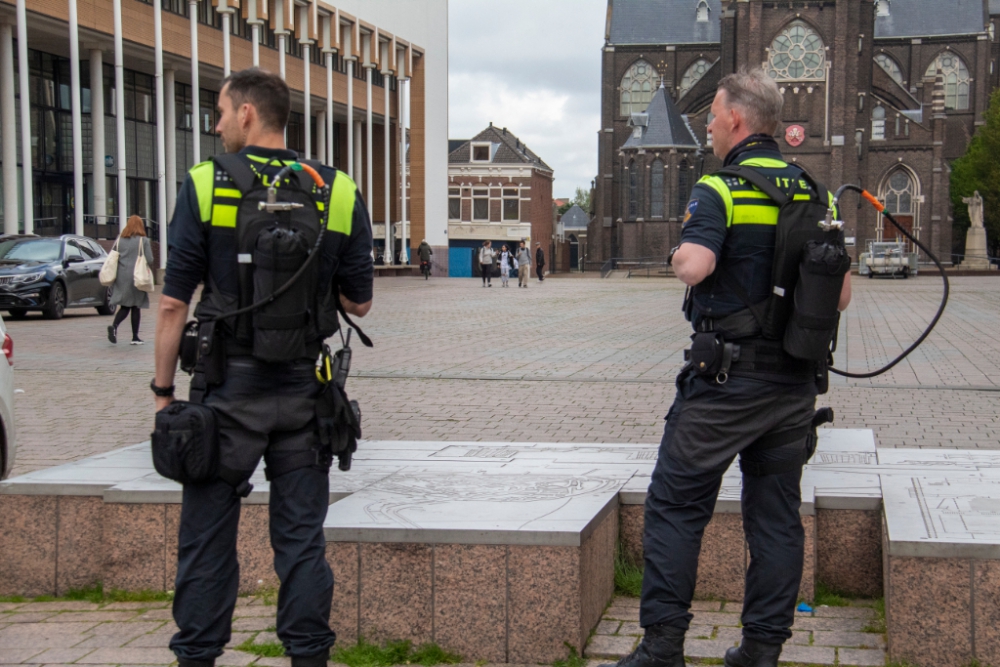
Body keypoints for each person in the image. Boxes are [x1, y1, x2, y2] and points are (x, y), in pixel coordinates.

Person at [604, 69, 851, 667]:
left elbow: (695, 265)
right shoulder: (815, 194)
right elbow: (839, 295)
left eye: (712, 115)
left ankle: (663, 648)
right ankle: (761, 652)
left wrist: (677, 250)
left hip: (724, 387)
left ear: (737, 120)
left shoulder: (721, 188)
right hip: (793, 385)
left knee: (676, 505)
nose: (708, 125)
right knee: (775, 518)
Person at [152, 68, 373, 667]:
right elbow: (359, 302)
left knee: (206, 540)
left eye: (221, 111)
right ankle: (308, 657)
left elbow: (174, 302)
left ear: (248, 114)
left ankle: (197, 657)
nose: (218, 123)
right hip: (304, 394)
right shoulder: (338, 189)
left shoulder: (205, 184)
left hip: (227, 392)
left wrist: (163, 393)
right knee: (302, 541)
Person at [107, 214, 154, 345]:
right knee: (136, 306)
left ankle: (114, 326)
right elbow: (150, 259)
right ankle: (135, 337)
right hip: (136, 277)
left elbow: (113, 255)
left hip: (121, 277)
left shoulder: (119, 239)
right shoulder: (143, 240)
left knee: (125, 306)